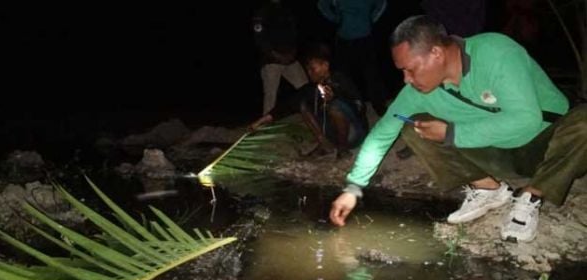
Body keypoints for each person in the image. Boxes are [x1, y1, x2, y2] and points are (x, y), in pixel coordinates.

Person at [329, 15, 587, 243]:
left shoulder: (495, 52)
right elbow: (382, 133)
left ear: (436, 53)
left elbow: (527, 119)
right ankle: (488, 190)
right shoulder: (417, 92)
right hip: (497, 154)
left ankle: (531, 196)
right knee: (414, 125)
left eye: (410, 69)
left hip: (547, 148)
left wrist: (453, 132)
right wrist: (353, 188)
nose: (406, 79)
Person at [251, 43, 369, 158]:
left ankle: (343, 150)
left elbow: (360, 106)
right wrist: (265, 118)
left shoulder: (340, 79)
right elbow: (289, 104)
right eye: (307, 69)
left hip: (354, 134)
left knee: (335, 106)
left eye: (312, 68)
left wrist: (336, 97)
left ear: (325, 66)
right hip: (333, 136)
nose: (309, 72)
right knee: (302, 104)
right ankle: (324, 144)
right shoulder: (313, 87)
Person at [317, 0, 388, 115]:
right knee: (343, 76)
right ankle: (350, 107)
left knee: (371, 75)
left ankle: (379, 106)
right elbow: (322, 4)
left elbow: (382, 3)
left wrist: (372, 19)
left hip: (365, 37)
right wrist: (334, 18)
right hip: (344, 39)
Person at [252, 0, 309, 115]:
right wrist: (276, 55)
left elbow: (294, 34)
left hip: (290, 58)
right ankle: (265, 125)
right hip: (271, 60)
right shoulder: (262, 13)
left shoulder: (286, 11)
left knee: (306, 87)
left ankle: (311, 116)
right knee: (271, 94)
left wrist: (292, 54)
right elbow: (260, 39)